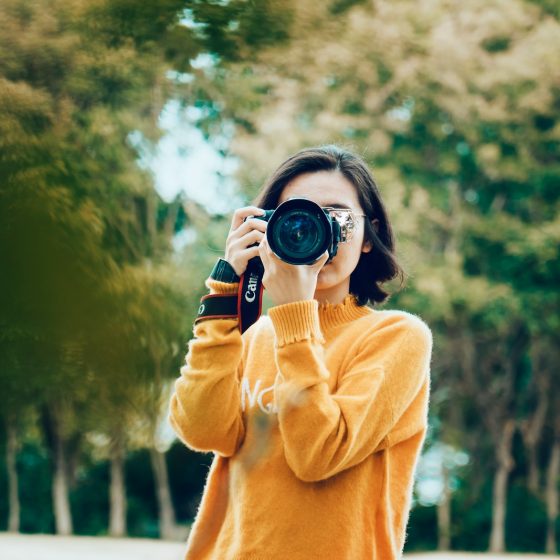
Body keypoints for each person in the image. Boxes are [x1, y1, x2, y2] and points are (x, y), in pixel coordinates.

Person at [168, 144, 433, 560]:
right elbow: (201, 431)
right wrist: (224, 291)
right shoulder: (255, 335)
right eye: (296, 216)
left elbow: (317, 455)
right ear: (267, 228)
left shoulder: (397, 338)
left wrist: (295, 315)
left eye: (336, 217)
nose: (314, 230)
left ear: (369, 236)